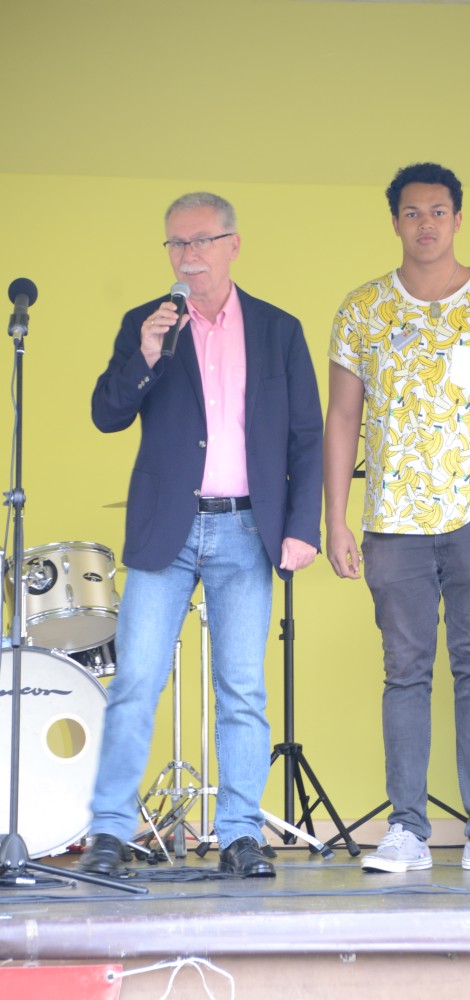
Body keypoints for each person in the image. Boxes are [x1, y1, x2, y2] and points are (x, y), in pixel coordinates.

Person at [324, 163, 470, 875]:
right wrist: (336, 518)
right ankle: (406, 831)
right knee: (405, 673)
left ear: (457, 219)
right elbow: (342, 418)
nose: (424, 224)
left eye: (437, 211)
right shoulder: (363, 309)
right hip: (392, 522)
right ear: (393, 221)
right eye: (411, 212)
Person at [82, 192, 322, 878]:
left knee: (242, 689)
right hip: (167, 526)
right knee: (136, 682)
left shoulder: (278, 329)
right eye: (175, 244)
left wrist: (301, 526)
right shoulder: (147, 324)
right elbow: (106, 413)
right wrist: (146, 353)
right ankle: (109, 832)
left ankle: (240, 835)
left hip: (247, 528)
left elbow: (306, 436)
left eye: (200, 241)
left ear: (232, 245)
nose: (187, 256)